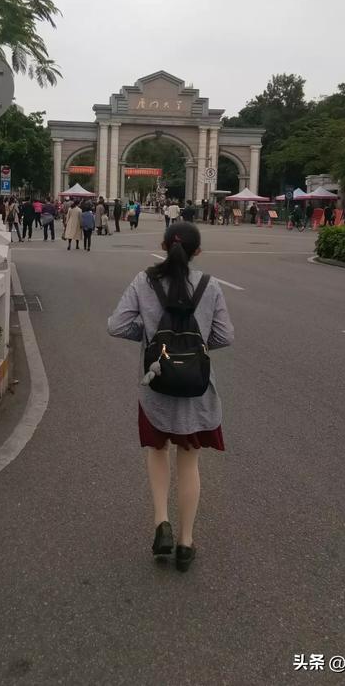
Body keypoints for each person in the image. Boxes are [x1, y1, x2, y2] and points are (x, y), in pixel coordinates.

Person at [107, 223, 233, 572]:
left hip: (156, 386)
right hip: (196, 389)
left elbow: (116, 325)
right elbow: (225, 335)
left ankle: (161, 521)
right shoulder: (210, 286)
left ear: (162, 245)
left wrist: (151, 339)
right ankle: (186, 542)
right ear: (198, 252)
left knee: (157, 451)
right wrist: (196, 345)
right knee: (189, 462)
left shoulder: (143, 282)